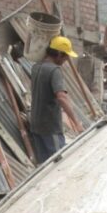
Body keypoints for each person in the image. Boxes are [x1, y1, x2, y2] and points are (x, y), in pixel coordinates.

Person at [28, 36, 83, 164]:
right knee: (60, 164)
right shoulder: (54, 70)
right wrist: (77, 123)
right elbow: (61, 97)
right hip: (50, 126)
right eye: (65, 56)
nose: (66, 60)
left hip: (36, 124)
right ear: (59, 54)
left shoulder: (36, 67)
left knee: (45, 165)